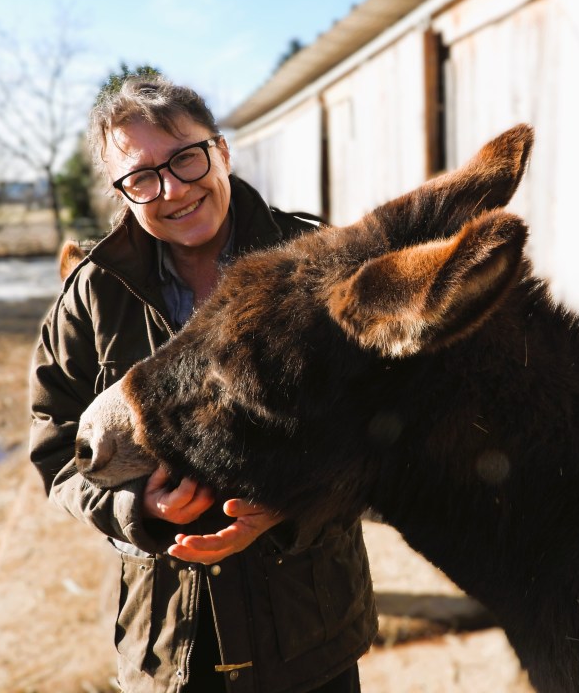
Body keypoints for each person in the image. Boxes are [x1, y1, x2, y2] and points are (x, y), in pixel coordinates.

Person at [29, 74, 377, 693]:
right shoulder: (92, 296)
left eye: (186, 158)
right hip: (171, 643)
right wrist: (139, 510)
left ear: (221, 151)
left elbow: (378, 427)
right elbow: (56, 448)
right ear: (121, 192)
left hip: (308, 628)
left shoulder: (313, 257)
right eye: (141, 177)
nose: (173, 191)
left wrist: (289, 504)